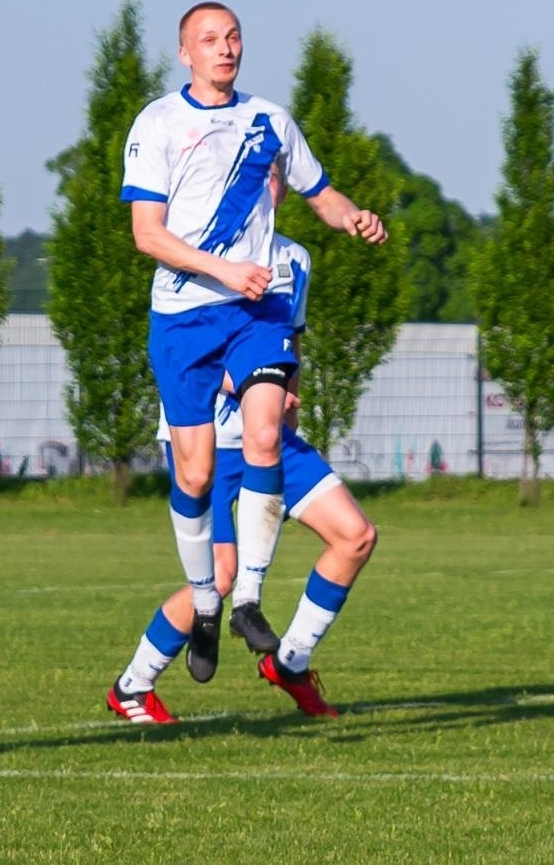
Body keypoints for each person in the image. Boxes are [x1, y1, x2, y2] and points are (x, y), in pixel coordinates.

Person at [120, 1, 386, 683]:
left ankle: (245, 602)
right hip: (184, 315)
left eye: (233, 36)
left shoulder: (270, 120)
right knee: (196, 475)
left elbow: (320, 192)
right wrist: (223, 270)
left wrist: (353, 216)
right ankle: (204, 604)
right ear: (186, 53)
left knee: (266, 432)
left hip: (253, 310)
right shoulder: (158, 124)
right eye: (210, 39)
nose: (225, 47)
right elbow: (147, 235)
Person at [108, 216, 378, 722]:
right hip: (209, 441)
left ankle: (290, 662)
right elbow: (187, 350)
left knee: (355, 535)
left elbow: (288, 340)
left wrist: (286, 399)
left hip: (271, 441)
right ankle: (133, 684)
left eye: (273, 169)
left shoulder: (294, 259)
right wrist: (249, 380)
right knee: (221, 576)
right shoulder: (193, 249)